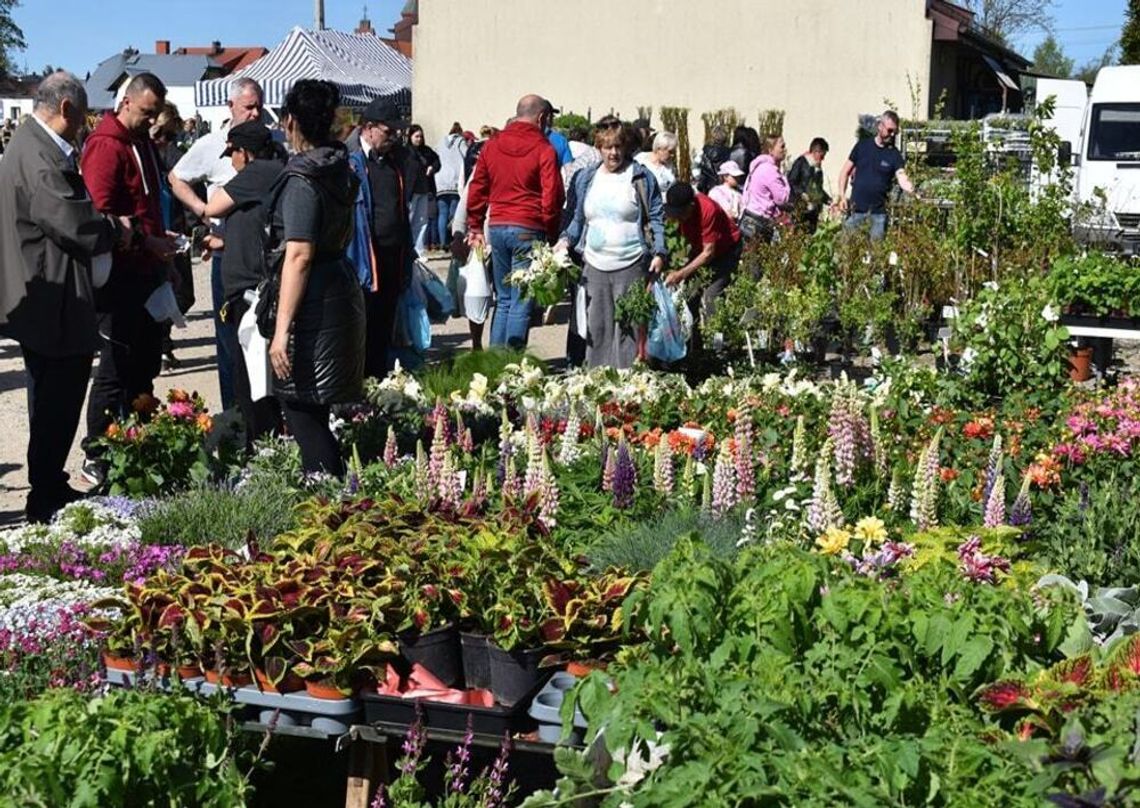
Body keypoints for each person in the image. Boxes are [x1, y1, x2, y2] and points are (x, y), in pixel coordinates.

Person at [0, 72, 132, 521]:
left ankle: (50, 486)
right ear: (67, 110)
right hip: (49, 291)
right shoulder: (37, 154)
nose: (84, 125)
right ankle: (46, 495)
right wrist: (116, 229)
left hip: (44, 285)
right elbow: (72, 222)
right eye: (81, 116)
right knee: (57, 394)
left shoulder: (32, 144)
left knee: (51, 395)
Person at [80, 72, 178, 486]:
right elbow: (98, 216)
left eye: (155, 114)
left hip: (146, 271)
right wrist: (145, 239)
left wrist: (160, 241)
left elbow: (147, 202)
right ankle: (97, 453)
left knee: (143, 364)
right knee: (115, 368)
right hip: (120, 277)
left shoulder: (139, 144)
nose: (152, 121)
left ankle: (137, 443)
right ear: (126, 102)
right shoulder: (106, 145)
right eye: (146, 112)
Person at [266, 79, 365, 476]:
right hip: (339, 286)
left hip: (313, 301)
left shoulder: (303, 178)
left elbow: (299, 256)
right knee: (315, 408)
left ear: (290, 122)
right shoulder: (339, 165)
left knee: (303, 409)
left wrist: (280, 331)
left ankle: (328, 508)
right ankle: (333, 502)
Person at [168, 77, 265, 411]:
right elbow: (176, 178)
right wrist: (201, 212)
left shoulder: (271, 141)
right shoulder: (212, 145)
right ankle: (234, 418)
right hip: (226, 255)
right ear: (231, 106)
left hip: (263, 257)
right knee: (229, 344)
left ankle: (265, 422)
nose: (255, 113)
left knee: (262, 342)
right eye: (249, 107)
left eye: (259, 106)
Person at [201, 121, 286, 451]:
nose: (230, 161)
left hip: (252, 294)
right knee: (251, 379)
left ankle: (261, 453)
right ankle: (260, 446)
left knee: (253, 383)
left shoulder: (258, 172)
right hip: (249, 286)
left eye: (232, 154)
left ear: (246, 153)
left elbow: (213, 206)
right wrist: (223, 242)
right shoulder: (266, 173)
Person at [559, 123, 666, 369]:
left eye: (618, 147)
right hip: (594, 263)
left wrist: (660, 252)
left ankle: (624, 385)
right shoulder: (586, 177)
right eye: (607, 147)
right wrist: (565, 241)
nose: (613, 153)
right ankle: (597, 383)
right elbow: (577, 218)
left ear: (626, 147)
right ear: (599, 148)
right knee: (596, 326)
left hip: (630, 262)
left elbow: (657, 218)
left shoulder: (641, 176)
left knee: (626, 326)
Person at [465, 94, 565, 348]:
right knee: (522, 301)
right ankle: (513, 365)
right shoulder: (544, 149)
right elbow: (551, 196)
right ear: (542, 117)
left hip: (497, 225)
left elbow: (478, 186)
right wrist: (552, 233)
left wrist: (475, 224)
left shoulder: (493, 144)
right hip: (529, 226)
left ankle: (496, 363)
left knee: (505, 299)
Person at [346, 99, 417, 377]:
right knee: (361, 331)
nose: (394, 138)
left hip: (392, 260)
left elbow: (402, 211)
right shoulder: (351, 163)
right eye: (389, 132)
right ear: (369, 129)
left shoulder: (395, 162)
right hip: (364, 262)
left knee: (383, 330)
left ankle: (376, 385)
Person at [663, 182, 741, 341]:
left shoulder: (707, 210)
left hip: (726, 252)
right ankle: (694, 345)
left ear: (691, 206)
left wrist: (681, 273)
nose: (677, 217)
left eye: (680, 213)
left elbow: (708, 253)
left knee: (712, 297)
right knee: (690, 295)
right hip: (701, 251)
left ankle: (718, 345)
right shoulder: (681, 213)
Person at [151, 103, 195, 372]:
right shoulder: (147, 153)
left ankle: (161, 341)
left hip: (173, 229)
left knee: (182, 294)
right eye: (160, 134)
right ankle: (160, 343)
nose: (164, 141)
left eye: (169, 135)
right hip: (156, 233)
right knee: (170, 292)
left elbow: (187, 188)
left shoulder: (171, 155)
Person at [837, 111, 916, 241]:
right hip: (856, 212)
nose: (892, 135)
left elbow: (902, 177)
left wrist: (913, 191)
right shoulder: (862, 146)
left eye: (894, 132)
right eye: (890, 130)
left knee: (875, 256)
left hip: (878, 216)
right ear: (880, 126)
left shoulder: (894, 155)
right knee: (846, 252)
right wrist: (842, 196)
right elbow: (844, 172)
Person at [740, 134, 791, 243]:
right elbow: (782, 199)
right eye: (781, 146)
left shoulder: (759, 166)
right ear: (770, 150)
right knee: (757, 258)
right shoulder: (770, 170)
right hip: (760, 221)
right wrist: (784, 179)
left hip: (749, 216)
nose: (784, 150)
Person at [406, 124, 441, 257]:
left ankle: (419, 250)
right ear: (410, 137)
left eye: (421, 136)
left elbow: (437, 161)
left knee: (422, 221)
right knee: (409, 219)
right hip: (411, 191)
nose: (419, 139)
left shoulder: (427, 151)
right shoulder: (405, 152)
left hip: (425, 190)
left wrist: (432, 167)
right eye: (416, 136)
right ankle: (408, 248)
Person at [786, 137, 831, 233]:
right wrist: (801, 193)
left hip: (812, 213)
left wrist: (829, 201)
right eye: (822, 156)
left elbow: (818, 190)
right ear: (816, 152)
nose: (823, 159)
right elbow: (791, 182)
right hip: (800, 209)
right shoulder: (801, 163)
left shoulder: (818, 170)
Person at [435, 122, 468, 248]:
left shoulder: (440, 143)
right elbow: (467, 156)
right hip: (454, 180)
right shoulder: (460, 141)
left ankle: (443, 242)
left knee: (442, 213)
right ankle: (454, 241)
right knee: (454, 213)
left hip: (440, 181)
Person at [696, 126, 732, 193]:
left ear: (713, 137)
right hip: (724, 184)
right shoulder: (729, 152)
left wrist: (698, 177)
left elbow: (695, 165)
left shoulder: (704, 150)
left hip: (707, 185)